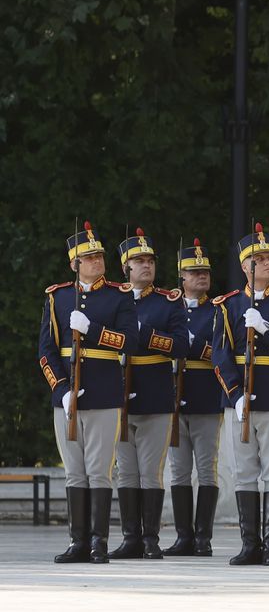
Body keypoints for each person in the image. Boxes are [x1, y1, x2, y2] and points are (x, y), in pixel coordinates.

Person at [211, 223, 269, 566]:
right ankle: (249, 544)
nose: (267, 263)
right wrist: (235, 394)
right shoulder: (228, 306)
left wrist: (267, 329)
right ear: (245, 267)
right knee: (244, 472)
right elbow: (219, 355)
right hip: (239, 402)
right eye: (259, 259)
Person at [41, 222, 137, 564]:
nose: (97, 261)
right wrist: (62, 391)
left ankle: (99, 542)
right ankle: (77, 542)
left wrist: (92, 330)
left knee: (99, 470)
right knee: (74, 471)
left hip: (103, 393)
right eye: (89, 257)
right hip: (67, 399)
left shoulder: (118, 295)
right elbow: (46, 351)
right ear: (74, 264)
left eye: (99, 255)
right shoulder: (58, 297)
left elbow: (130, 341)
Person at [111, 228, 188, 560]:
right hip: (117, 393)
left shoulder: (167, 302)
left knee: (150, 470)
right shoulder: (113, 300)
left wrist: (146, 335)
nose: (146, 266)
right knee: (125, 470)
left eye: (150, 261)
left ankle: (150, 539)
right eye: (138, 261)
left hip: (154, 392)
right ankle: (130, 537)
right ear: (125, 267)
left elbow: (182, 345)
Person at [163, 238, 224, 557]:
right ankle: (183, 536)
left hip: (205, 398)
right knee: (179, 470)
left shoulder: (217, 311)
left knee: (206, 468)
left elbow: (225, 353)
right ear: (181, 277)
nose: (201, 276)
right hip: (173, 399)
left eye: (205, 271)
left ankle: (203, 537)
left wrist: (196, 347)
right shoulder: (170, 308)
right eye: (194, 271)